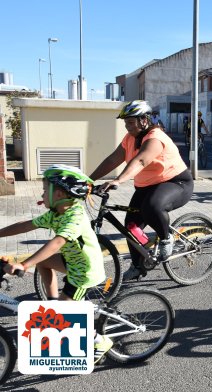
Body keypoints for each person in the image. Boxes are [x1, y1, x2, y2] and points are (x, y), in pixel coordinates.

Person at [0, 164, 112, 363]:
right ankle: (53, 303)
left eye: (45, 189)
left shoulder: (74, 216)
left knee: (63, 316)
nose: (42, 193)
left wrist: (24, 265)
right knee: (43, 263)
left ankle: (99, 341)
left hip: (83, 273)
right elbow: (25, 225)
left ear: (59, 194)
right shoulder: (56, 212)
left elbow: (57, 243)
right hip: (71, 261)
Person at [89, 100, 193, 281]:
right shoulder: (130, 139)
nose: (127, 126)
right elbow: (113, 160)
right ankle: (138, 265)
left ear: (144, 120)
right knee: (131, 225)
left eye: (130, 122)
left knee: (152, 206)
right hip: (148, 186)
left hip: (177, 183)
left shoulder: (155, 138)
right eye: (125, 122)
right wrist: (89, 180)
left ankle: (166, 240)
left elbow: (141, 160)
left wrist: (118, 180)